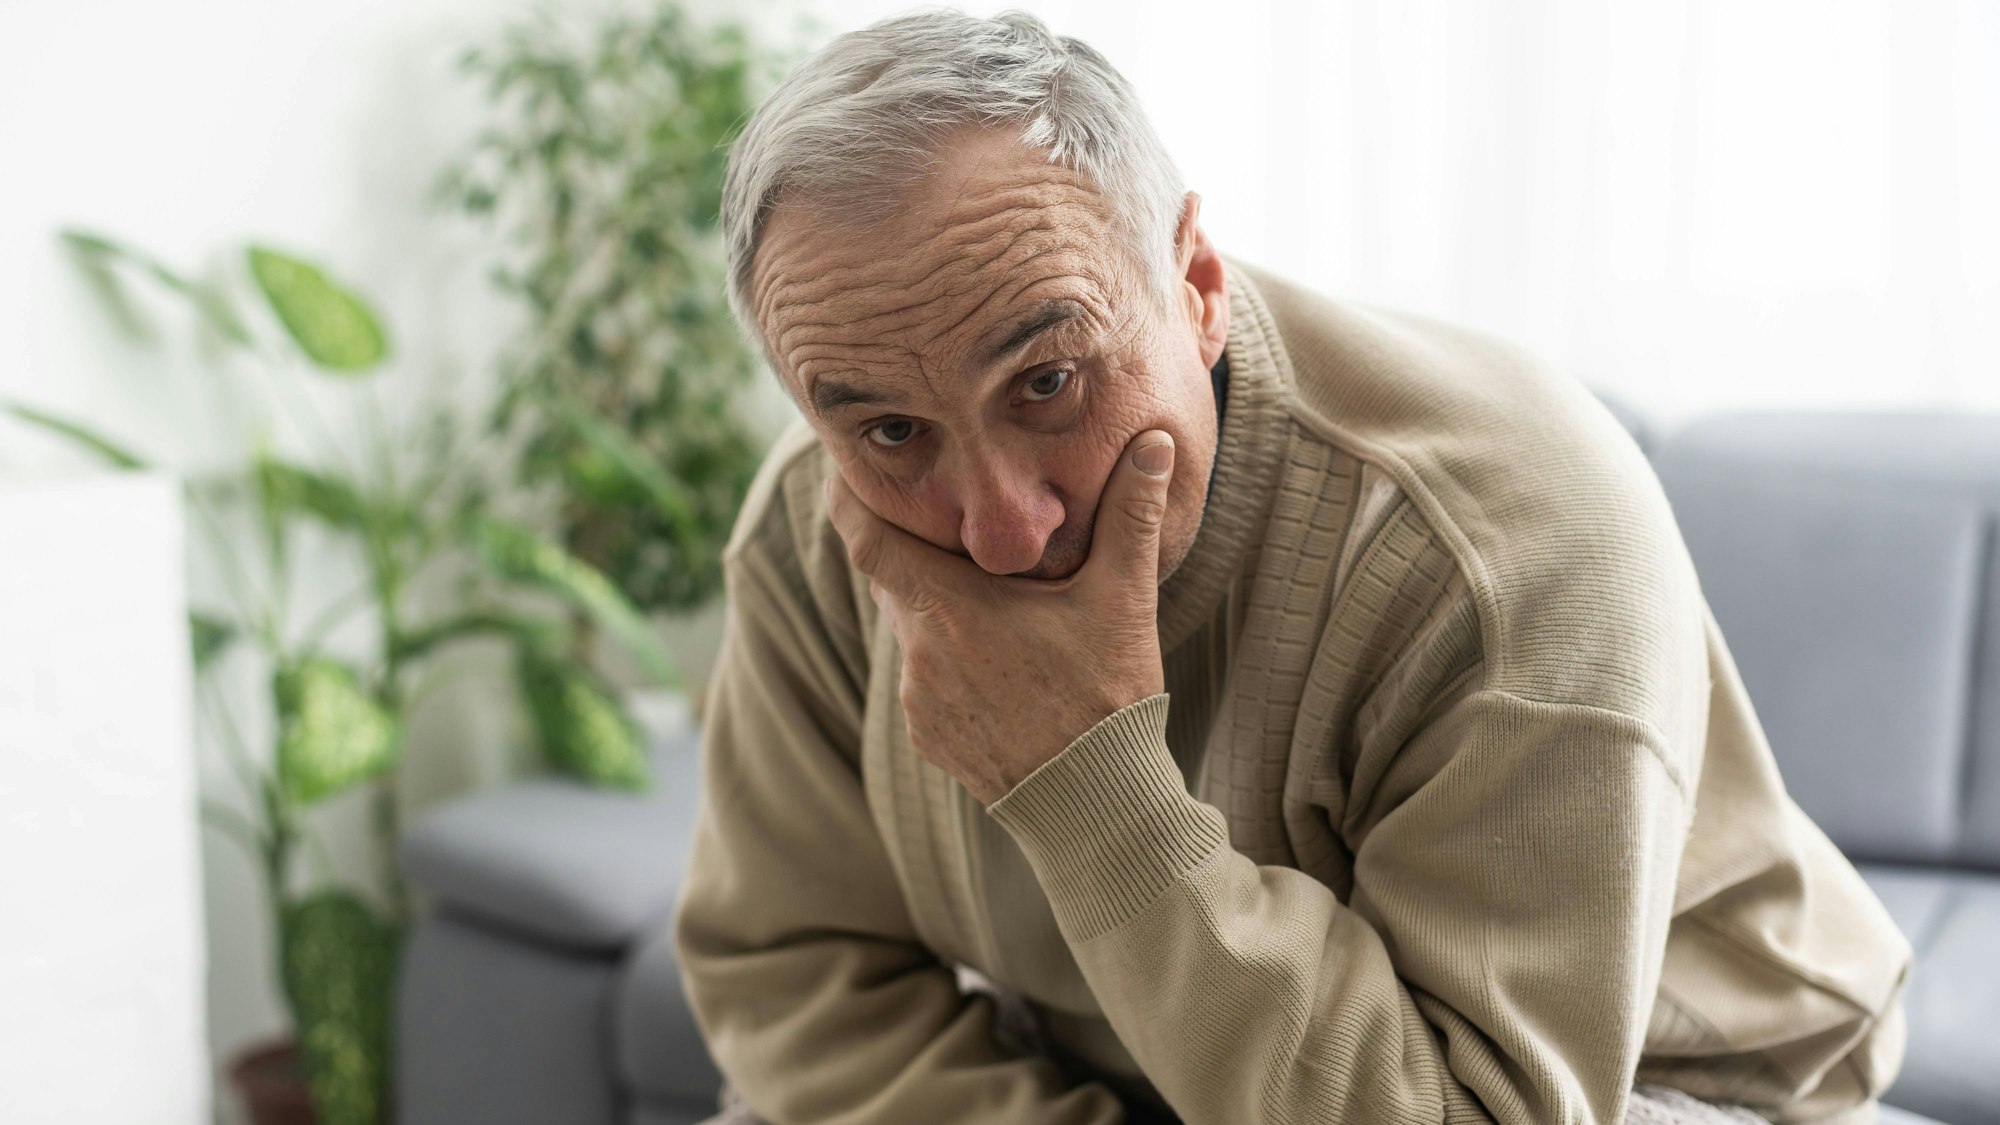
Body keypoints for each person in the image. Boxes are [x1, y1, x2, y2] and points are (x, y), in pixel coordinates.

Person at [669, 9, 1911, 1123]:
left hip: (1649, 1080)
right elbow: (787, 974)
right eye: (889, 431)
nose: (1005, 528)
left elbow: (1477, 1112)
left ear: (1196, 285)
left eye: (1047, 383)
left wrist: (1084, 784)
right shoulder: (816, 529)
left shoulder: (1507, 534)